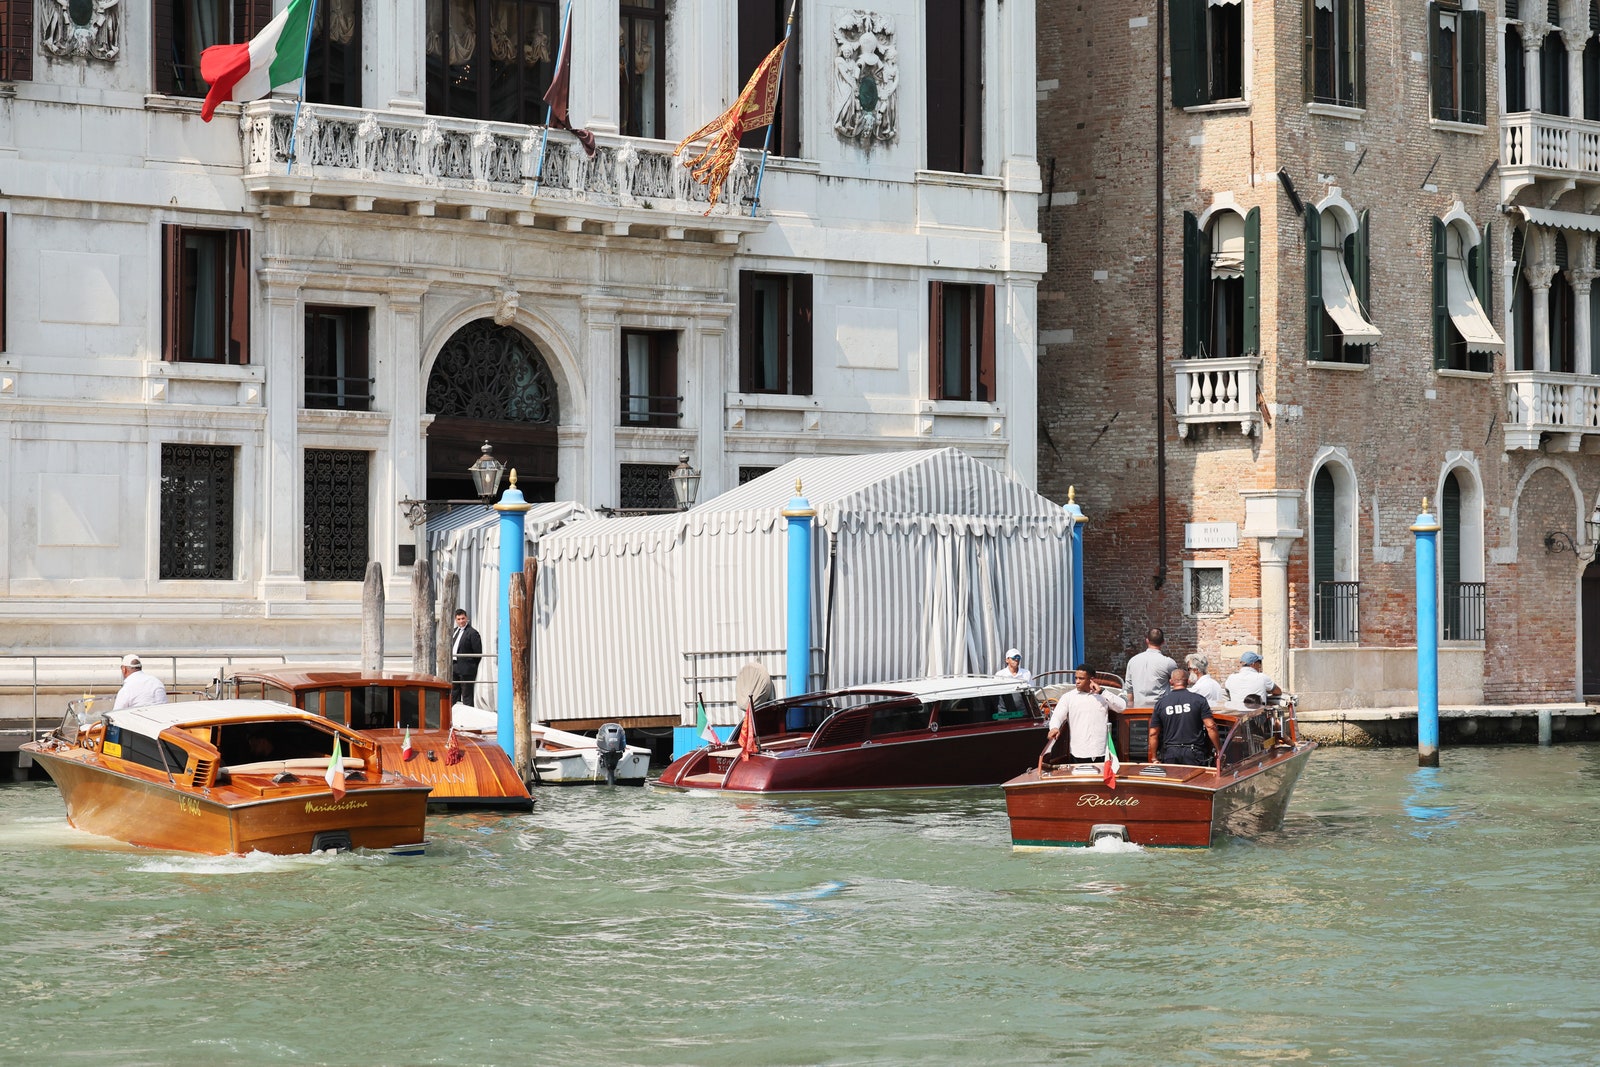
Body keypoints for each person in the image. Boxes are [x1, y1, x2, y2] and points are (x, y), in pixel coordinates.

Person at [1038, 664, 1126, 772]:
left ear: (1091, 680)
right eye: (1076, 678)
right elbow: (1057, 716)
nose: (1077, 681)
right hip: (1079, 752)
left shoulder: (1103, 696)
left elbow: (1121, 707)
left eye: (1081, 678)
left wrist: (1102, 692)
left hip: (1102, 751)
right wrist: (1054, 728)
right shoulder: (1068, 697)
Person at [1147, 668, 1219, 766]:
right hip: (1194, 753)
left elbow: (1153, 733)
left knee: (1173, 781)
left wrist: (1154, 757)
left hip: (1170, 753)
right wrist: (1219, 750)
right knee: (1195, 780)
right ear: (1188, 681)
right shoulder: (1199, 700)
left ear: (1171, 682)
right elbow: (1210, 726)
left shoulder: (1161, 703)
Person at [1125, 627, 1178, 707]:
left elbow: (1129, 688)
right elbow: (1178, 683)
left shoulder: (1133, 661)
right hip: (1161, 708)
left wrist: (1130, 708)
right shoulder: (1168, 662)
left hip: (1139, 708)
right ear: (1163, 642)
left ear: (1147, 641)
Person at [450, 609, 483, 707]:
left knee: (467, 695)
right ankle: (452, 716)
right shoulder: (454, 631)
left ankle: (468, 719)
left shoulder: (472, 633)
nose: (461, 621)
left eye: (463, 618)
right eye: (459, 619)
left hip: (466, 669)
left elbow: (478, 652)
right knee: (453, 693)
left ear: (466, 618)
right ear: (456, 620)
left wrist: (471, 666)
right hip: (454, 666)